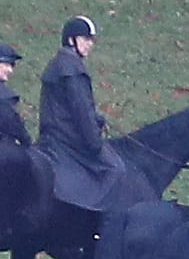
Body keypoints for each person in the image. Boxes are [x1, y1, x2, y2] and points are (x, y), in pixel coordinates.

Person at [36, 15, 138, 211]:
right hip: (68, 137)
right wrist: (94, 142)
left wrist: (98, 119)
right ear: (72, 40)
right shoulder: (72, 69)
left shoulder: (58, 64)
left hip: (52, 134)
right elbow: (80, 109)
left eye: (91, 40)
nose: (90, 44)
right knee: (116, 168)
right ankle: (90, 211)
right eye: (85, 39)